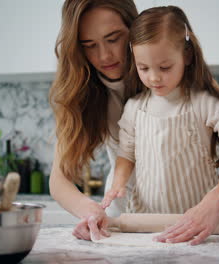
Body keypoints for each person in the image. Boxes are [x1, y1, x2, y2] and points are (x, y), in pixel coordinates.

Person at [101, 5, 219, 245]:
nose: (154, 77)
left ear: (186, 56)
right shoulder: (134, 108)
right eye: (143, 68)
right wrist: (118, 183)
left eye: (165, 67)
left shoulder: (202, 103)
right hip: (147, 229)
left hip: (198, 228)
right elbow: (126, 154)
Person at [49, 0, 139, 241]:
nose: (104, 55)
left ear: (135, 28)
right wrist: (90, 210)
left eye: (113, 39)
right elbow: (59, 180)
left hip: (186, 220)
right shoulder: (83, 93)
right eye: (89, 45)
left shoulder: (178, 69)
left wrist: (214, 200)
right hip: (123, 226)